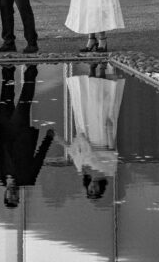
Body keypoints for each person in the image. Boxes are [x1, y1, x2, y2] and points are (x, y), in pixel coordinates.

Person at [0, 64, 54, 207]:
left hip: (4, 131)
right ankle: (31, 70)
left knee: (6, 99)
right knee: (24, 102)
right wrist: (48, 139)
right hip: (21, 133)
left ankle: (8, 70)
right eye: (16, 197)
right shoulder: (28, 177)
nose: (14, 194)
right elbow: (38, 159)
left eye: (11, 196)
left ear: (5, 194)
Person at [53, 64, 125, 201]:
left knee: (88, 102)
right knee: (102, 103)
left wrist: (57, 138)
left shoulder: (83, 169)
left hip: (86, 132)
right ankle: (102, 70)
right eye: (95, 191)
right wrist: (109, 129)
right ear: (100, 189)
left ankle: (92, 70)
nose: (93, 188)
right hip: (101, 136)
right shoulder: (108, 170)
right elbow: (111, 150)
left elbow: (72, 150)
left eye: (90, 191)